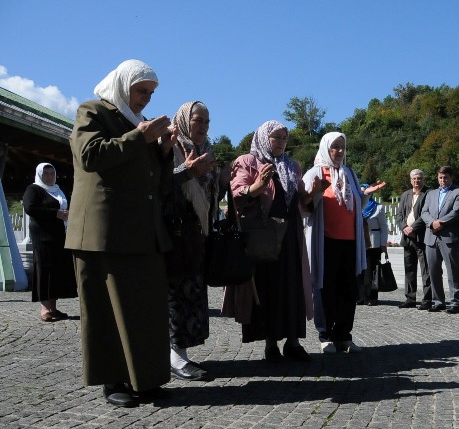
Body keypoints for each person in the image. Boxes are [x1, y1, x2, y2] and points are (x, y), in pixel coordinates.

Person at [67, 59, 177, 408]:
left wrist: (162, 152)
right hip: (103, 231)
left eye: (151, 93)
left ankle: (144, 379)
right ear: (122, 85)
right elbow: (89, 155)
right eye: (141, 91)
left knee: (144, 308)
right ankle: (113, 380)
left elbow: (153, 182)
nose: (146, 99)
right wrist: (140, 137)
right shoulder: (93, 111)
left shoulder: (140, 124)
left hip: (141, 231)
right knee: (106, 310)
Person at [223, 121, 319, 362]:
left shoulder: (291, 165)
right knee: (269, 288)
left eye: (285, 138)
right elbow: (236, 194)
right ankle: (271, 343)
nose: (281, 142)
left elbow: (298, 200)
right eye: (276, 137)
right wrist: (256, 187)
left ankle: (293, 342)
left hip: (289, 236)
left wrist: (312, 193)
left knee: (292, 286)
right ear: (265, 138)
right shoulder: (248, 161)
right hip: (263, 236)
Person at [302, 132, 385, 354]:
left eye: (342, 147)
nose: (339, 151)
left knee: (348, 291)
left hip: (350, 241)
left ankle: (343, 335)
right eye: (335, 147)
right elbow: (303, 205)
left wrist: (366, 193)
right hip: (325, 241)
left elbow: (355, 201)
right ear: (326, 148)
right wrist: (314, 193)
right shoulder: (315, 173)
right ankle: (325, 335)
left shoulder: (349, 174)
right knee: (325, 288)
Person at [165, 101, 223, 381]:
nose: (203, 127)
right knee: (176, 294)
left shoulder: (205, 151)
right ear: (185, 120)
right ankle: (176, 356)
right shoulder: (172, 146)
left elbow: (211, 195)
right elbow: (162, 183)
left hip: (197, 234)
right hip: (175, 233)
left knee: (193, 293)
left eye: (207, 122)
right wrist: (189, 171)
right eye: (198, 120)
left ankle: (181, 352)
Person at [22, 162, 78, 321]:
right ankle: (45, 309)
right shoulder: (33, 189)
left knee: (56, 269)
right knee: (44, 267)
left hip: (61, 234)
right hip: (43, 235)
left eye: (51, 173)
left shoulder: (60, 190)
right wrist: (56, 213)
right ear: (40, 175)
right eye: (45, 174)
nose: (49, 176)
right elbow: (30, 208)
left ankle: (53, 308)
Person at [421, 166, 459, 314]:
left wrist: (440, 223)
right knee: (433, 271)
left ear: (451, 177)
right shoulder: (431, 193)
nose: (443, 180)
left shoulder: (458, 192)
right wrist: (432, 223)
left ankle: (456, 301)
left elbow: (456, 212)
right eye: (440, 177)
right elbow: (424, 212)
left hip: (449, 237)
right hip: (431, 237)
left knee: (453, 270)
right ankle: (438, 301)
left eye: (446, 177)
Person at [395, 169, 432, 310]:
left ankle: (427, 299)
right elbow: (399, 215)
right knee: (409, 269)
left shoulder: (428, 194)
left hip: (421, 237)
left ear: (423, 180)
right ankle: (410, 298)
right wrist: (404, 227)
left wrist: (413, 228)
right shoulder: (405, 195)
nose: (417, 181)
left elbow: (426, 214)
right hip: (407, 237)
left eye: (419, 178)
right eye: (414, 179)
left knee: (425, 270)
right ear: (411, 180)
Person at [360, 191, 388, 306]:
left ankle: (371, 297)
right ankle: (360, 297)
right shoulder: (357, 207)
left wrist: (383, 244)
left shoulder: (378, 208)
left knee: (371, 272)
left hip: (373, 244)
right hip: (359, 243)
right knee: (359, 272)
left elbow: (384, 227)